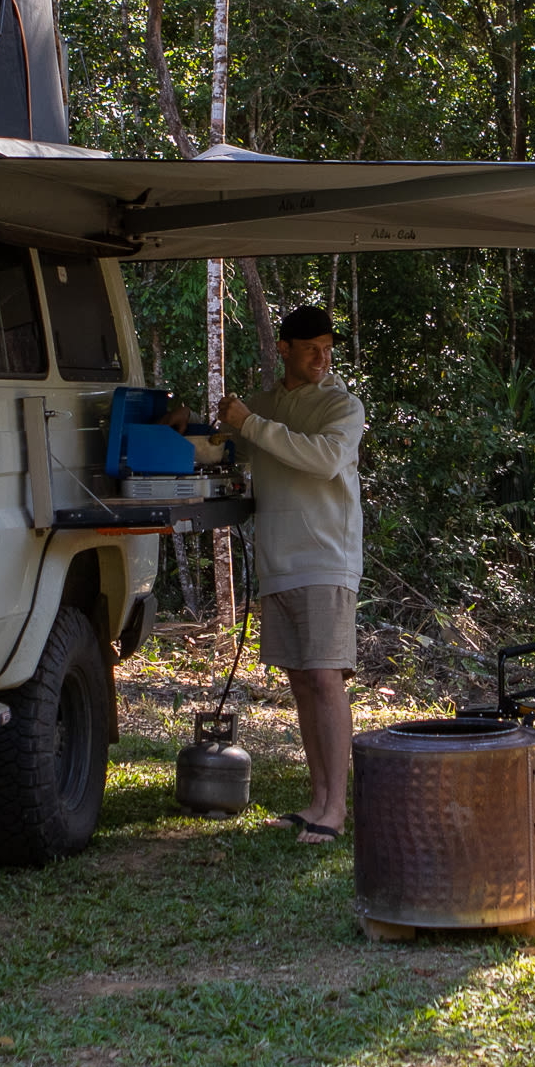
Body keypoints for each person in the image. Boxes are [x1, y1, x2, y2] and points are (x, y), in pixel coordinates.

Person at [168, 305, 365, 843]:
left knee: (326, 679)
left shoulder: (342, 406)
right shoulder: (269, 404)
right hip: (280, 559)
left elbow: (324, 459)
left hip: (327, 557)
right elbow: (225, 445)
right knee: (302, 682)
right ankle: (317, 799)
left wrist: (249, 423)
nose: (321, 357)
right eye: (310, 348)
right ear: (284, 349)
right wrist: (185, 430)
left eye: (327, 347)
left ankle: (336, 809)